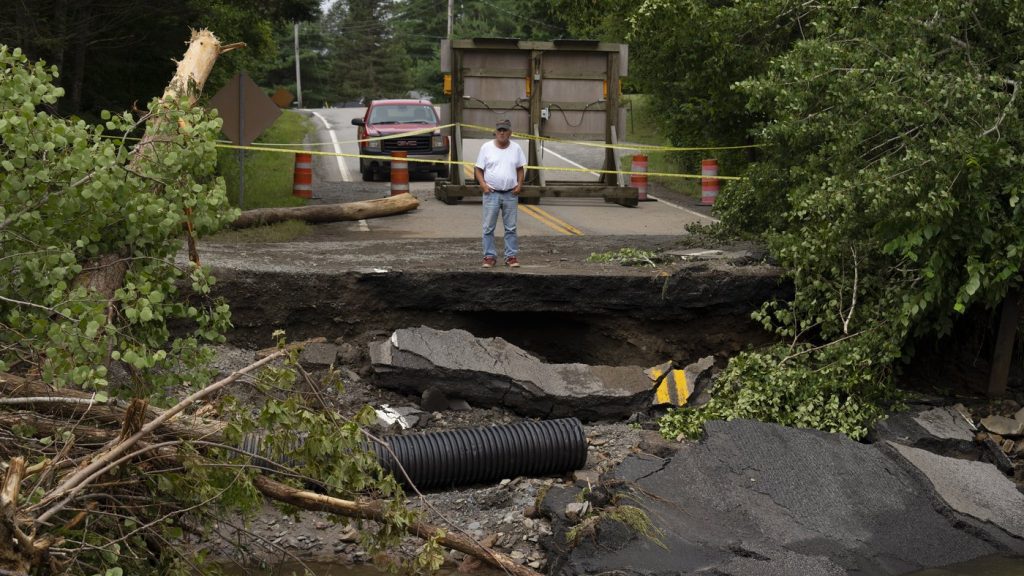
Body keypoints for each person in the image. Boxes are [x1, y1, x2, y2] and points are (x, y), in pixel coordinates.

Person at [475, 118, 527, 268]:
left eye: (505, 130)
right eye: (500, 130)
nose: (502, 133)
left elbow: (520, 168)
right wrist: (483, 185)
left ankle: (511, 256)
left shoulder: (516, 148)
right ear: (495, 132)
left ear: (510, 132)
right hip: (492, 193)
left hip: (510, 193)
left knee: (511, 227)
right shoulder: (486, 147)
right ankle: (489, 256)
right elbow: (478, 169)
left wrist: (519, 185)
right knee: (488, 227)